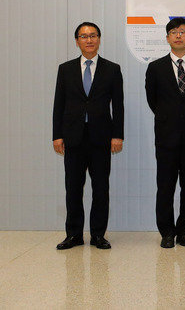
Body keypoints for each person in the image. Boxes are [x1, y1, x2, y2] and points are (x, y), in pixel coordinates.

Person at [52, 22, 124, 250]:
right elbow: (58, 104)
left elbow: (118, 106)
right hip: (73, 138)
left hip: (101, 138)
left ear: (99, 39)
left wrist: (117, 135)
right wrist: (57, 135)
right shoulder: (65, 69)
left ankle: (98, 235)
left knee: (101, 188)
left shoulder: (112, 69)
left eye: (93, 35)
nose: (89, 40)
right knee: (73, 188)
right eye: (84, 36)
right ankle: (73, 235)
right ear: (77, 41)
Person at [145, 17, 185, 248]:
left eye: (182, 32)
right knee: (165, 186)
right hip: (166, 136)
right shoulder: (155, 68)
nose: (178, 35)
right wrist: (169, 118)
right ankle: (166, 232)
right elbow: (153, 101)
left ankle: (183, 231)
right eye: (173, 32)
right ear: (167, 38)